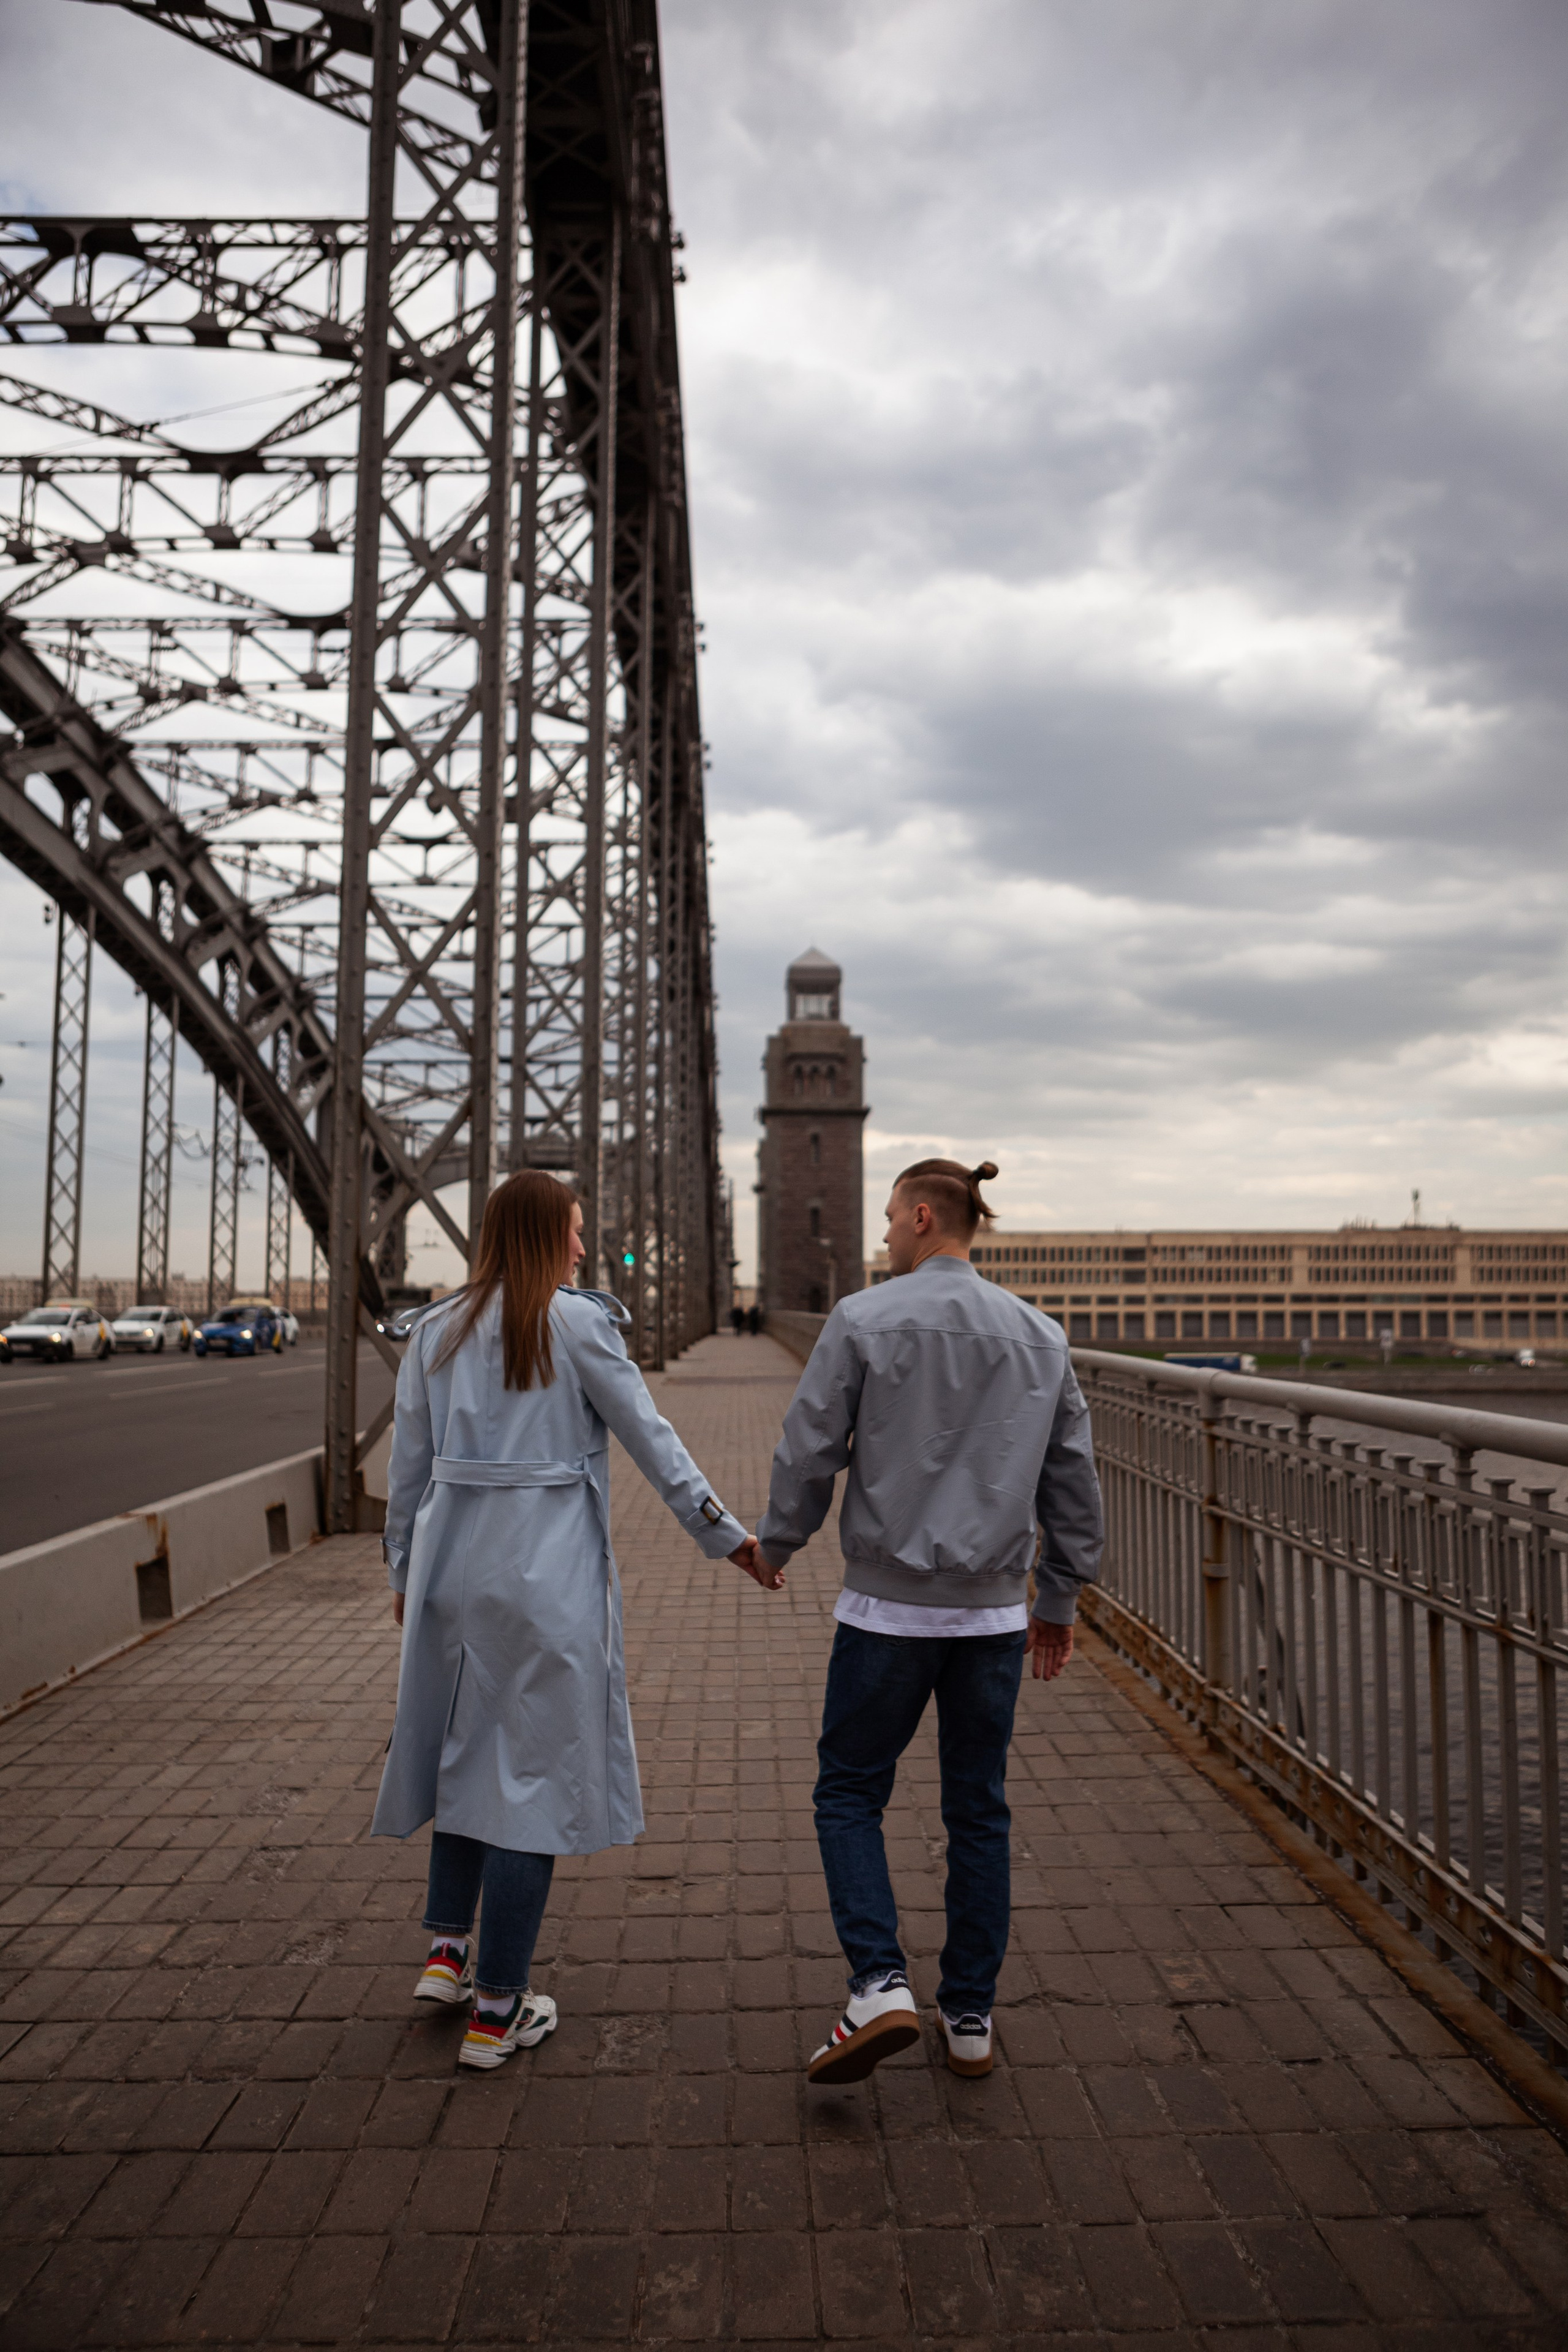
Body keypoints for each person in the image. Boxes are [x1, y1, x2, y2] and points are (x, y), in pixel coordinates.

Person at [372, 1170, 778, 2070]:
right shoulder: (577, 1322)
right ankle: (498, 2010)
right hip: (543, 1578)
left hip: (451, 1572)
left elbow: (406, 1474)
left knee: (462, 1751)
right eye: (578, 1231)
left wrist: (405, 1571)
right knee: (536, 1784)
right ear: (545, 1235)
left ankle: (446, 1956)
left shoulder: (433, 1331)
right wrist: (726, 1535)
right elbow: (651, 1438)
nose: (587, 1248)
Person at [755, 1158, 1102, 2085]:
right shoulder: (1039, 1335)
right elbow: (1073, 1481)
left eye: (887, 1223)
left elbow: (809, 1447)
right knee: (977, 1809)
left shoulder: (864, 1319)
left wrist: (776, 1545)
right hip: (992, 1615)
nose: (883, 1240)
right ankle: (971, 2016)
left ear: (920, 1216)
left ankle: (878, 1983)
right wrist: (1058, 1600)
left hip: (885, 1611)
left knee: (849, 1794)